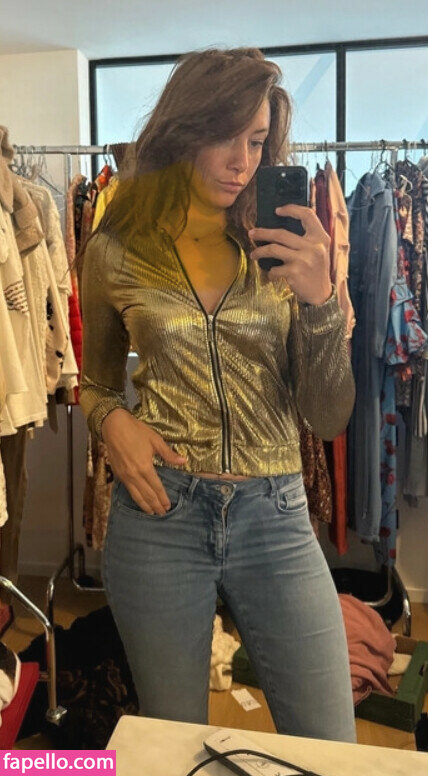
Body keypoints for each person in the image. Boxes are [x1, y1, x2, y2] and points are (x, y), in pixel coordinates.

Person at [80, 47, 356, 742]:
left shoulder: (286, 245)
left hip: (276, 518)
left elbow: (328, 415)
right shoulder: (116, 248)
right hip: (160, 515)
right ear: (183, 131)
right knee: (176, 745)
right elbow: (95, 383)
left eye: (257, 141)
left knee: (332, 746)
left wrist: (322, 301)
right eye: (225, 136)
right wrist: (110, 421)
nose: (242, 162)